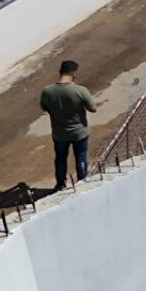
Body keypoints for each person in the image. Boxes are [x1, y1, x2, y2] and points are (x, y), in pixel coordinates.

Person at [40, 60, 97, 192]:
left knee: (60, 158)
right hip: (79, 132)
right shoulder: (80, 90)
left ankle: (60, 184)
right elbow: (93, 108)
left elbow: (44, 108)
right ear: (73, 73)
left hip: (59, 133)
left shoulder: (47, 91)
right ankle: (82, 182)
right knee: (81, 156)